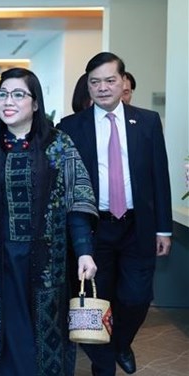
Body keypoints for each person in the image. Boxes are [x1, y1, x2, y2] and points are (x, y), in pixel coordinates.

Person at [0, 67, 99, 376]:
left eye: (19, 94)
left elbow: (78, 200)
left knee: (42, 339)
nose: (8, 101)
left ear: (35, 103)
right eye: (3, 94)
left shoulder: (59, 145)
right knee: (1, 337)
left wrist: (84, 250)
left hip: (46, 263)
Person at [58, 52, 172, 376]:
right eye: (95, 82)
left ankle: (122, 342)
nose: (103, 87)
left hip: (138, 227)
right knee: (98, 300)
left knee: (136, 298)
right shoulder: (70, 127)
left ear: (124, 82)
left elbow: (159, 177)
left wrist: (163, 229)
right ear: (88, 86)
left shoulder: (147, 121)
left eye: (110, 80)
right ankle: (103, 366)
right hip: (95, 231)